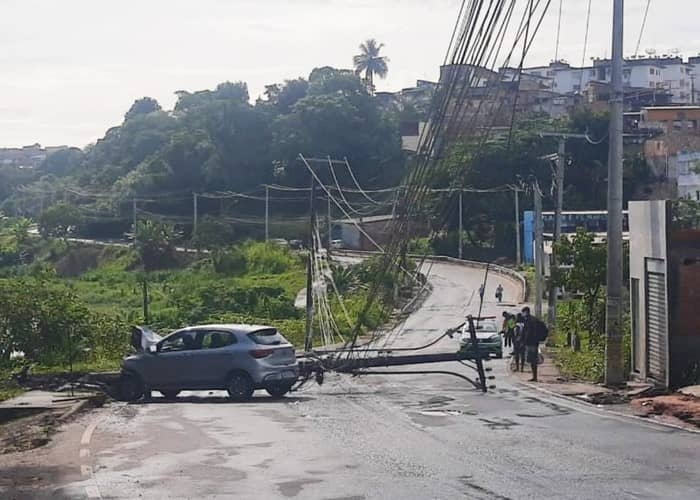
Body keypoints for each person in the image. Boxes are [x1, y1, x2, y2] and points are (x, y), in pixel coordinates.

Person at [521, 306, 548, 382]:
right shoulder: (531, 319)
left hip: (532, 342)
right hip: (533, 342)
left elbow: (529, 332)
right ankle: (534, 376)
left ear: (526, 312)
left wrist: (525, 341)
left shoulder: (530, 321)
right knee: (532, 360)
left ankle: (535, 377)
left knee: (533, 360)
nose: (522, 314)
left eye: (523, 312)